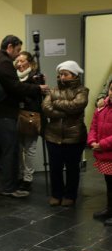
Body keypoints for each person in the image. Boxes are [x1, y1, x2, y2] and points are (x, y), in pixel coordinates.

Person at [0, 35, 47, 197]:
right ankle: (8, 187)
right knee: (9, 152)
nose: (18, 56)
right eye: (17, 51)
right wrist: (37, 88)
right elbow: (14, 87)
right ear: (10, 46)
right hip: (4, 114)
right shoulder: (4, 63)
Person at [42, 61, 89, 207]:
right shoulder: (53, 90)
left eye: (65, 74)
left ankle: (70, 195)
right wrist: (66, 111)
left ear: (74, 75)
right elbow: (46, 108)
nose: (62, 77)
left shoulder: (82, 90)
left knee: (72, 168)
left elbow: (77, 105)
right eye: (60, 74)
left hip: (74, 137)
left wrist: (57, 103)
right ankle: (56, 194)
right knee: (55, 168)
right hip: (53, 136)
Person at [15, 51, 43, 193]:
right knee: (18, 148)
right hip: (16, 115)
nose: (19, 64)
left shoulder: (36, 76)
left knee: (30, 149)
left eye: (22, 61)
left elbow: (34, 94)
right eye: (17, 61)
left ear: (30, 62)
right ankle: (20, 175)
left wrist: (21, 89)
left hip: (31, 115)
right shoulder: (14, 76)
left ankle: (28, 178)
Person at [89, 80, 112, 225]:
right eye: (111, 89)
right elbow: (94, 126)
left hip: (106, 148)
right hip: (106, 153)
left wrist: (101, 144)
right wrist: (92, 141)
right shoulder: (102, 107)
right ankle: (110, 209)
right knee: (109, 184)